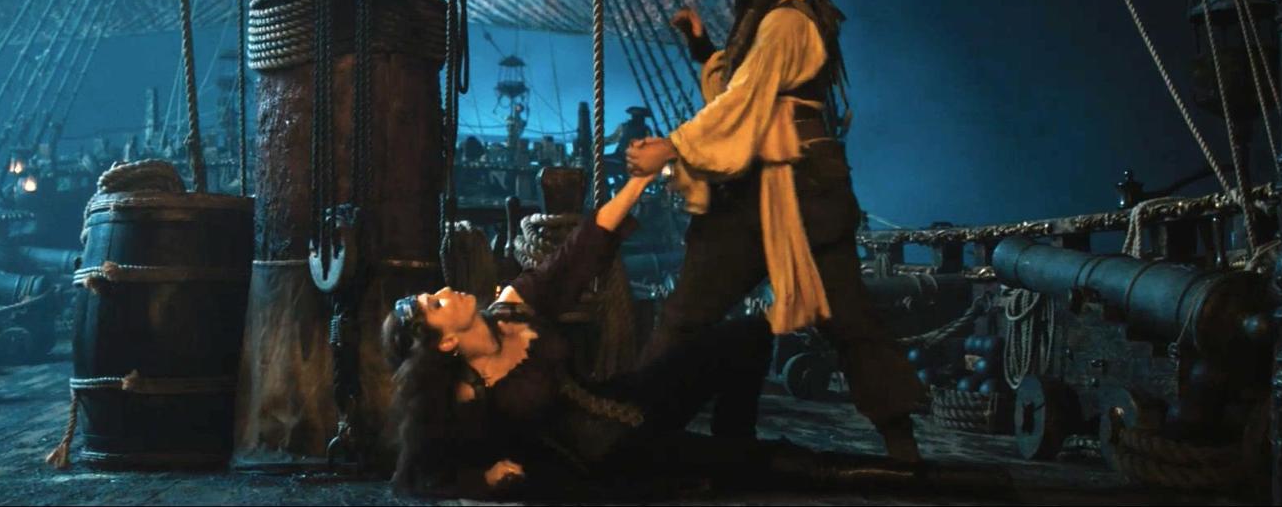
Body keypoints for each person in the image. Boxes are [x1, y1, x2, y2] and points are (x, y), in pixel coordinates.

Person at [383, 173, 1004, 499]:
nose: (448, 291)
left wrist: (637, 181)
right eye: (435, 305)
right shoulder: (469, 394)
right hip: (617, 459)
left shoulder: (511, 310)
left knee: (746, 337)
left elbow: (579, 253)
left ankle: (736, 447)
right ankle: (928, 483)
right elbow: (421, 477)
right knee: (776, 465)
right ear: (443, 343)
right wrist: (485, 481)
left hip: (634, 398)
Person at [626, 0, 927, 462]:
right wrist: (703, 48)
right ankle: (628, 424)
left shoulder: (787, 23)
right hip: (767, 189)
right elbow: (743, 86)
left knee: (839, 319)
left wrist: (673, 147)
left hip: (799, 191)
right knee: (693, 312)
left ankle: (627, 426)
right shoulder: (769, 25)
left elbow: (744, 102)